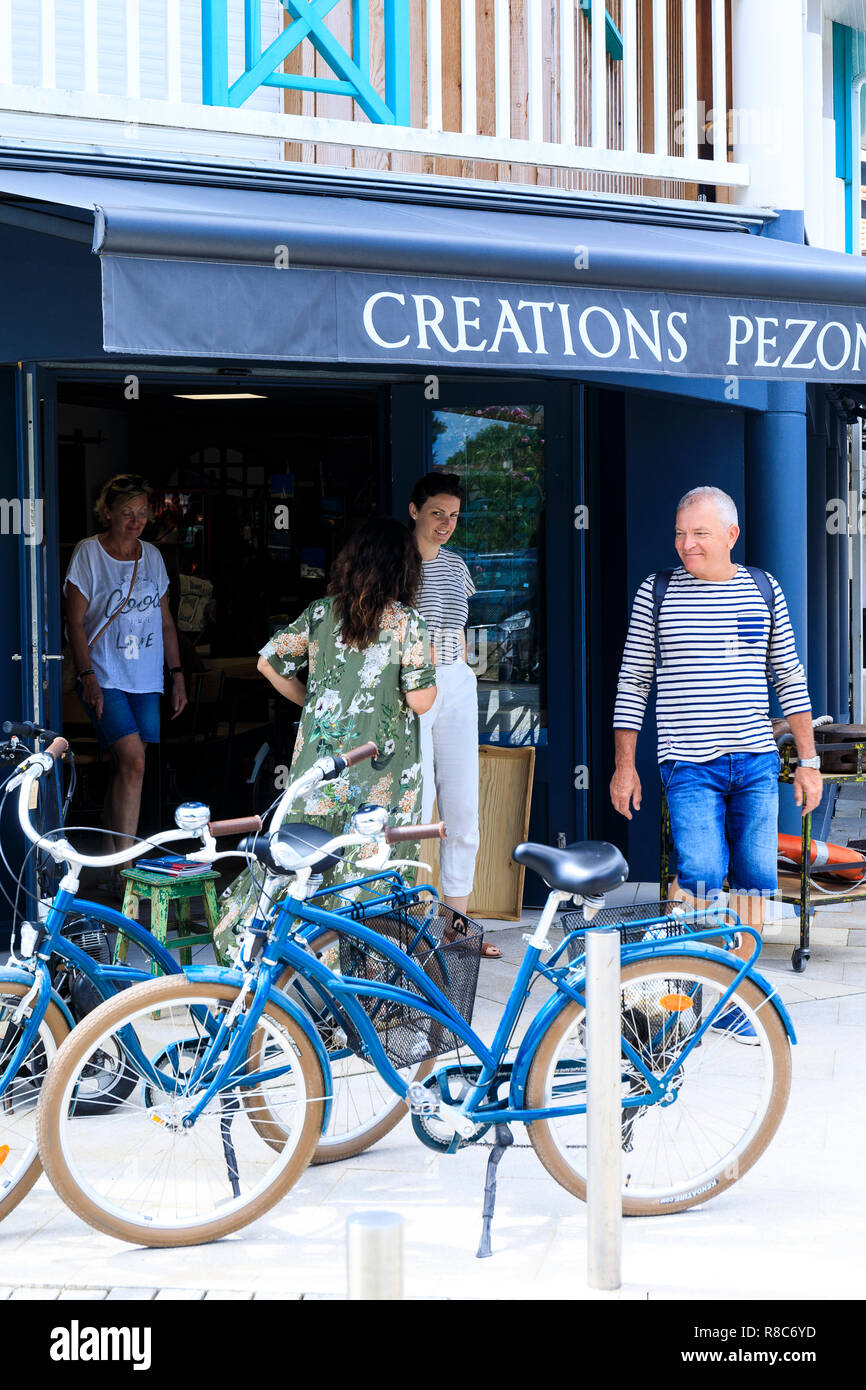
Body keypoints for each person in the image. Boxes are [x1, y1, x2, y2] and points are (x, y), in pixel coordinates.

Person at [610, 485, 823, 1041]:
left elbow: (788, 676)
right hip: (688, 764)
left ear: (731, 535)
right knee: (701, 874)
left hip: (754, 760)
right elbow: (633, 681)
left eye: (699, 534)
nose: (686, 544)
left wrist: (808, 760)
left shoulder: (763, 588)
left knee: (755, 879)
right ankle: (680, 998)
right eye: (680, 533)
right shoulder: (655, 592)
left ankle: (737, 1000)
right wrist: (624, 765)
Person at [257, 517, 437, 897]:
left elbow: (268, 663)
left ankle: (297, 947)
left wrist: (312, 701)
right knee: (371, 868)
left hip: (320, 765)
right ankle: (356, 952)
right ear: (404, 570)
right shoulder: (408, 623)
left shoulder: (321, 613)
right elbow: (421, 702)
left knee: (307, 863)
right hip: (383, 770)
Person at [64, 474, 188, 872]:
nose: (136, 521)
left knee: (127, 766)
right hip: (104, 673)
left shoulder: (152, 556)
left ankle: (111, 850)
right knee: (134, 762)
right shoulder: (88, 554)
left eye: (142, 513)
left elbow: (166, 621)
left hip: (146, 677)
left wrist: (178, 674)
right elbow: (75, 622)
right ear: (107, 513)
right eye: (127, 513)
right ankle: (126, 865)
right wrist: (87, 676)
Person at [408, 472, 498, 956]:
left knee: (463, 809)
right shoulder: (394, 564)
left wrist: (459, 673)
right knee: (415, 809)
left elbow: (457, 632)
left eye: (454, 515)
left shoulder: (457, 566)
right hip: (411, 685)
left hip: (455, 680)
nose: (446, 523)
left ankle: (456, 926)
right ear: (414, 510)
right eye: (437, 512)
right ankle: (407, 923)